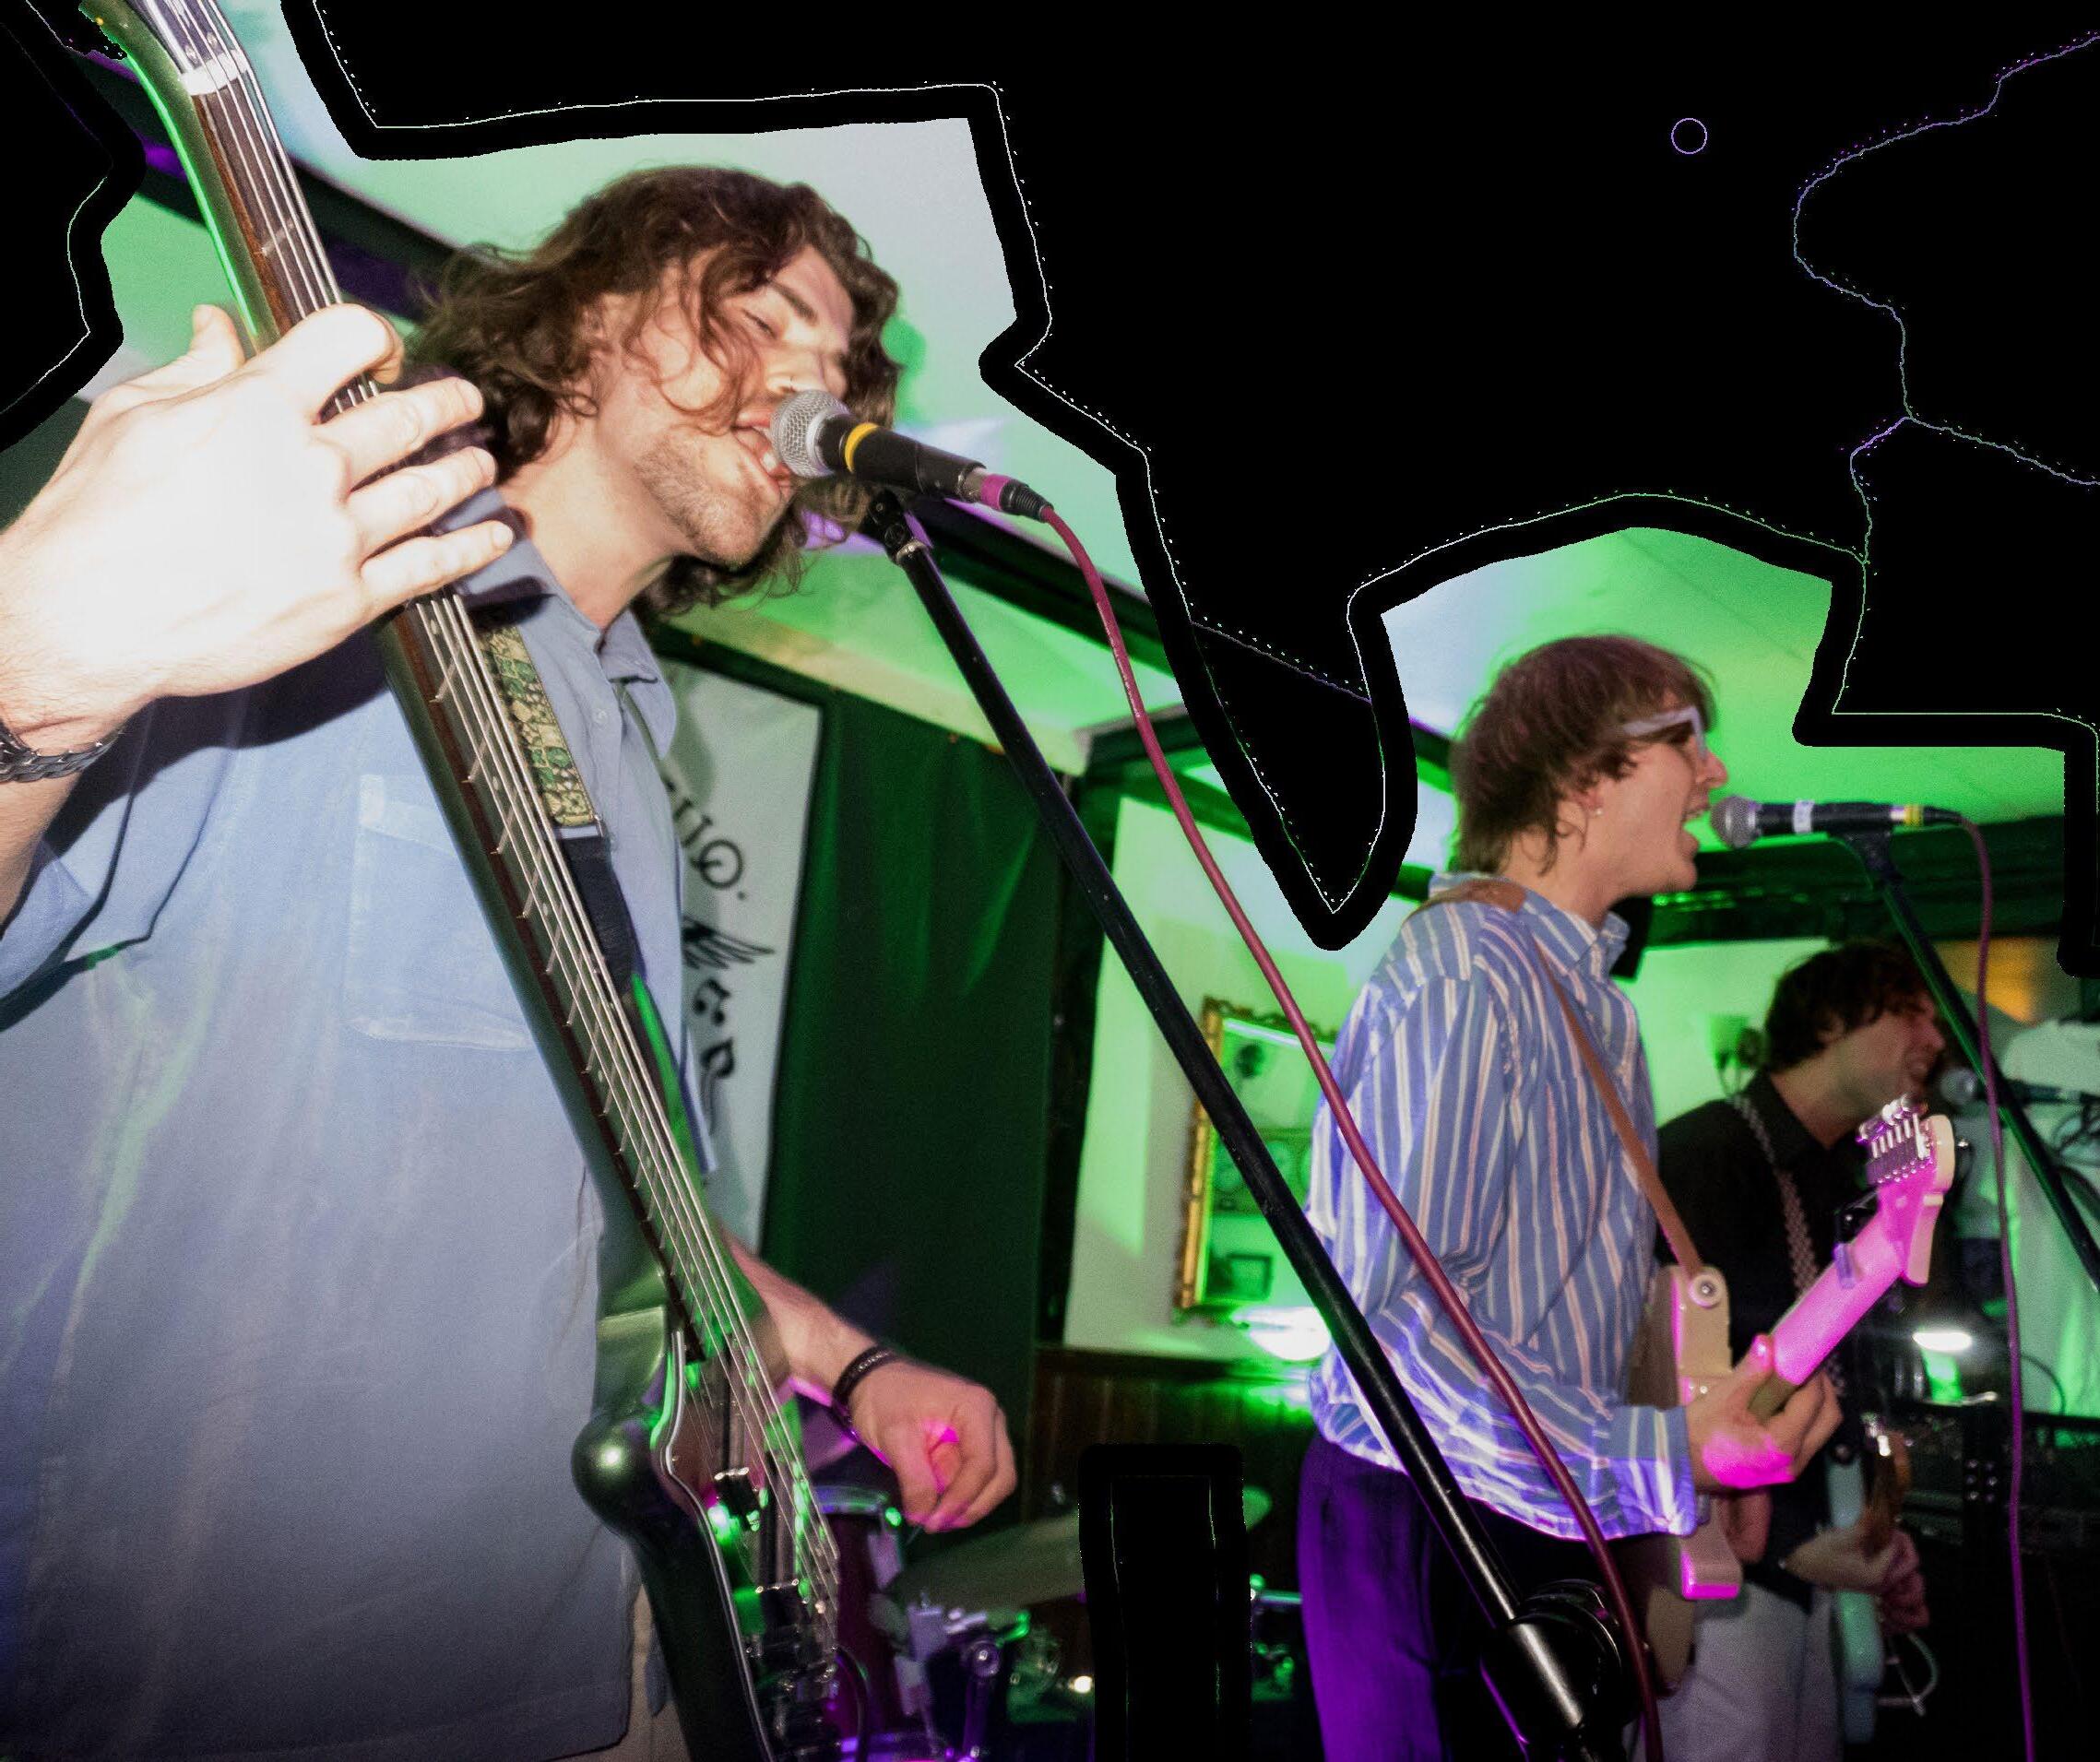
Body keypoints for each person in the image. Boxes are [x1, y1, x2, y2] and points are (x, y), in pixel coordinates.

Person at [0, 168, 1014, 1760]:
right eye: (761, 317)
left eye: (839, 364)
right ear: (594, 316)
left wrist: (850, 1357)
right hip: (243, 1673)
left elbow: (598, 1193)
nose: (813, 386)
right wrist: (35, 673)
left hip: (600, 1635)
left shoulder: (630, 716)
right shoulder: (315, 578)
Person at [1296, 634, 1842, 1762]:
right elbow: (1396, 1337)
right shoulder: (1464, 974)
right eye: (1686, 742)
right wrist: (1653, 1458)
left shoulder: (1601, 1011)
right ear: (1584, 779)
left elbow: (1575, 1320)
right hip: (1425, 1518)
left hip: (1540, 1510)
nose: (1716, 774)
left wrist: (1685, 1465)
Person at [1655, 941, 1937, 1762]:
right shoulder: (1705, 1153)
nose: (1934, 1039)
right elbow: (1651, 1378)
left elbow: (1886, 1342)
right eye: (1908, 1013)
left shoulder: (1843, 1173)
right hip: (1722, 1578)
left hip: (1814, 1566)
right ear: (1828, 1021)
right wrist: (1785, 1542)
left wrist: (1869, 1532)